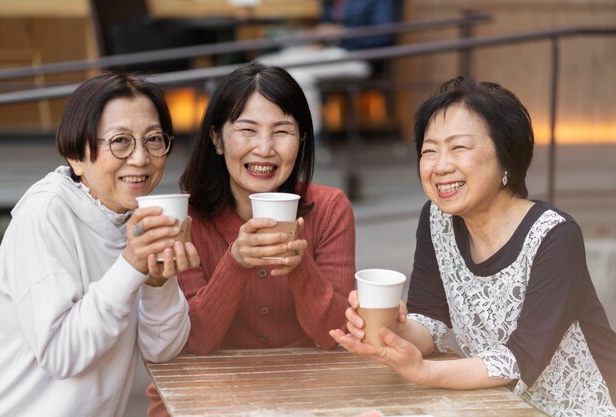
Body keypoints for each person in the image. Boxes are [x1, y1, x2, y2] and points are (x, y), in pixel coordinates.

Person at [330, 76, 616, 417]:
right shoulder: (436, 219)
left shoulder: (555, 236)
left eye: (459, 147)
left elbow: (520, 359)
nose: (440, 166)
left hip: (585, 407)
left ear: (506, 157)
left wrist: (424, 372)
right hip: (497, 404)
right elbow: (432, 324)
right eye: (429, 151)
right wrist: (389, 329)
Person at [146, 61, 356, 417]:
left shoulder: (331, 207)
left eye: (282, 131)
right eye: (247, 130)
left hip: (302, 395)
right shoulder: (186, 218)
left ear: (302, 139)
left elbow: (334, 334)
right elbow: (194, 341)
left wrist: (298, 262)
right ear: (216, 138)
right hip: (200, 396)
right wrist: (236, 262)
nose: (264, 148)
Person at [0, 72, 200, 417]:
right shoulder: (45, 213)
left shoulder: (133, 219)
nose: (140, 158)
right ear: (76, 155)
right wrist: (131, 266)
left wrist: (157, 282)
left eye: (153, 139)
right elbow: (62, 354)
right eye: (120, 141)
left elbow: (162, 351)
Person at [259, 0, 399, 137]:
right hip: (331, 51)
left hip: (360, 58)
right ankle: (301, 140)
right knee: (266, 65)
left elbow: (384, 35)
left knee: (292, 73)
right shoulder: (328, 3)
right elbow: (328, 27)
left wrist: (343, 33)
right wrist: (320, 36)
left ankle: (307, 140)